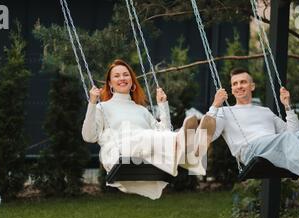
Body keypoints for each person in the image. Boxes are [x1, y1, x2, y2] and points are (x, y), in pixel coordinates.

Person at [82, 59, 206, 199]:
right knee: (146, 135)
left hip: (142, 150)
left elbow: (163, 133)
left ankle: (192, 148)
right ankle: (188, 146)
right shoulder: (102, 107)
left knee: (154, 135)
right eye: (117, 76)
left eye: (126, 74)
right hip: (118, 153)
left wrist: (162, 106)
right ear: (110, 83)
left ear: (132, 80)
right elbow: (89, 136)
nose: (122, 78)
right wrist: (92, 103)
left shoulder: (141, 110)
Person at [196, 67, 299, 185]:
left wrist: (287, 105)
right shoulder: (225, 112)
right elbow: (205, 136)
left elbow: (294, 134)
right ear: (232, 89)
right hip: (251, 150)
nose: (239, 86)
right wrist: (215, 105)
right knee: (285, 139)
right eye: (235, 84)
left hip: (274, 145)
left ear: (252, 86)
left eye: (243, 82)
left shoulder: (265, 111)